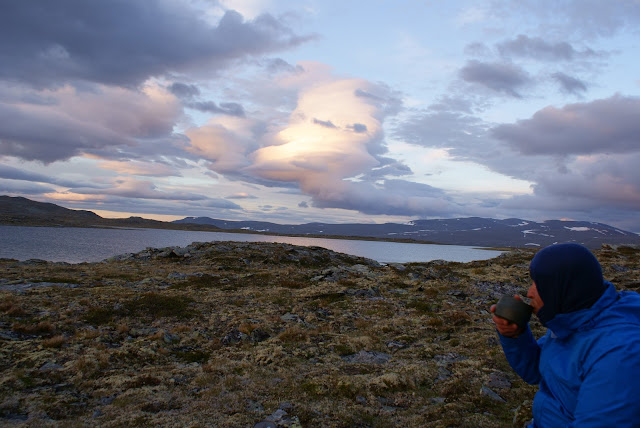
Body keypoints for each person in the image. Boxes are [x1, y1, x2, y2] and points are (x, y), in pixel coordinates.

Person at [491, 243, 640, 427]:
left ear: (563, 288)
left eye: (540, 284)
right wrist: (515, 335)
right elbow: (540, 371)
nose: (529, 292)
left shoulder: (619, 356)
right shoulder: (573, 318)